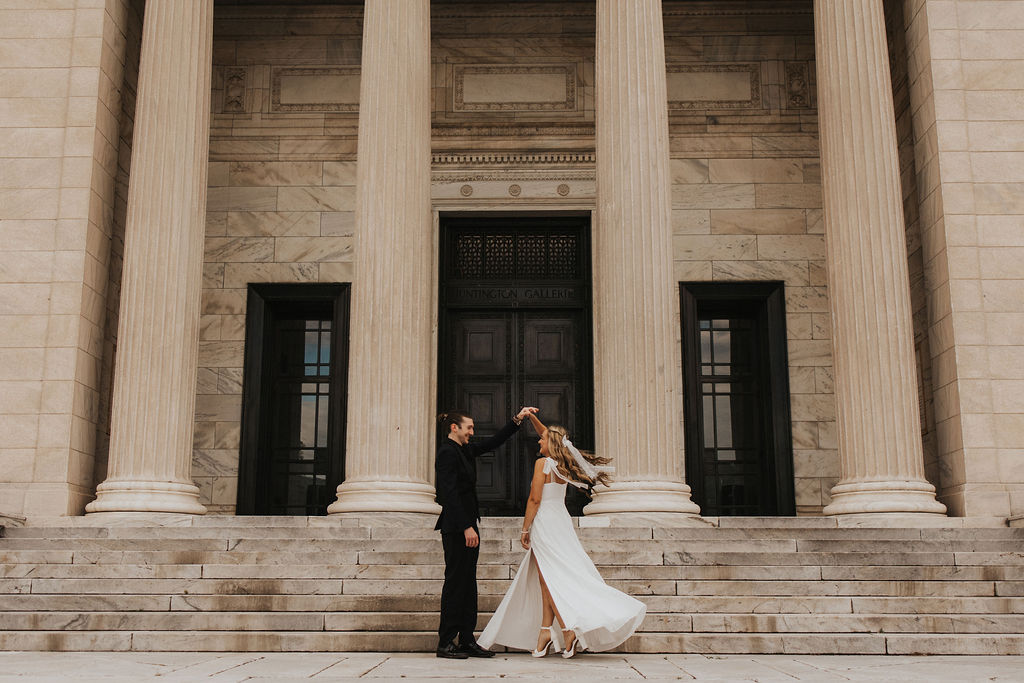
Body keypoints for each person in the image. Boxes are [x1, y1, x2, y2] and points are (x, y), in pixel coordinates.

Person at [477, 413, 646, 658]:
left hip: (544, 522)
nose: (538, 441)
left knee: (549, 578)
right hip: (560, 522)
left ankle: (567, 628)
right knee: (547, 578)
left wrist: (525, 529)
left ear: (550, 443)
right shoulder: (563, 463)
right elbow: (551, 434)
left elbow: (535, 499)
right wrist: (531, 418)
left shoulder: (542, 464)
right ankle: (546, 631)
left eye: (541, 439)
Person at [434, 406, 539, 659]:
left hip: (469, 525)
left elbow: (494, 441)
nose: (472, 431)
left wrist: (518, 419)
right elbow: (449, 494)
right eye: (469, 427)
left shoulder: (465, 449)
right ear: (454, 428)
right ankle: (446, 642)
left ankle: (467, 640)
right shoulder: (447, 453)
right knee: (455, 585)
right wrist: (466, 527)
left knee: (469, 585)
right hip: (457, 527)